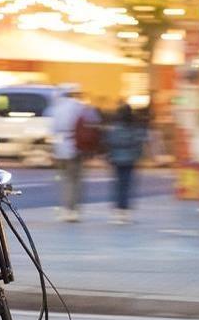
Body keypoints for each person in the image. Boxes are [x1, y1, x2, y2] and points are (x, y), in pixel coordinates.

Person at [49, 89, 99, 222]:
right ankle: (74, 210)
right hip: (76, 148)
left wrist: (54, 150)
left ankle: (65, 209)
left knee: (65, 180)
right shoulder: (80, 106)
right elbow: (94, 121)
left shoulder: (57, 108)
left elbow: (51, 129)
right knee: (76, 180)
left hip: (60, 148)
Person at [105, 103, 146, 223]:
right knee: (127, 185)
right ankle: (125, 211)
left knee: (117, 185)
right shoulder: (134, 128)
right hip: (130, 159)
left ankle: (117, 211)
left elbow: (109, 143)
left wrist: (109, 156)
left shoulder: (114, 128)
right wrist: (138, 156)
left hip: (117, 159)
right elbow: (138, 144)